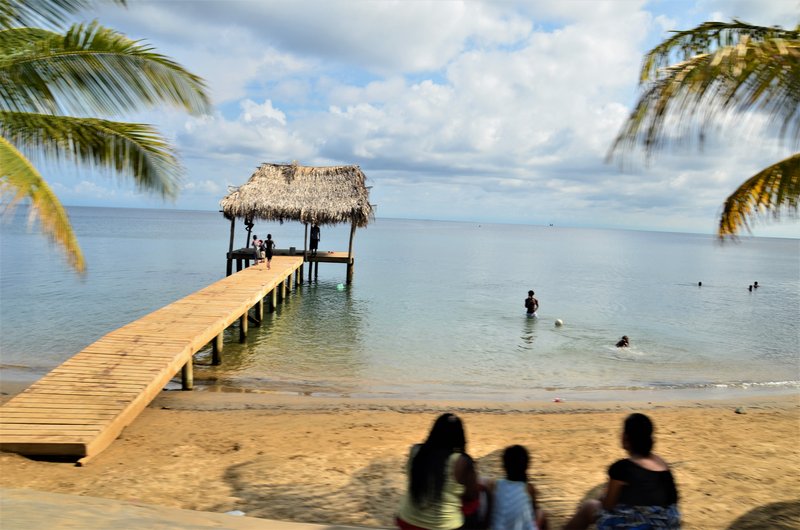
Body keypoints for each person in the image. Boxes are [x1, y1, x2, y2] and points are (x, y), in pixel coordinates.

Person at [563, 413, 680, 530]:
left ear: (626, 437)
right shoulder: (663, 465)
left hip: (640, 524)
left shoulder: (622, 468)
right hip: (667, 523)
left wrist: (604, 496)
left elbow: (608, 505)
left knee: (589, 507)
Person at [397, 413, 473, 530]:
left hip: (407, 520)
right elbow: (471, 496)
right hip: (443, 527)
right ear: (460, 436)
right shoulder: (461, 461)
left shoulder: (416, 451)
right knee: (478, 499)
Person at [488, 444, 548, 530]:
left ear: (504, 466)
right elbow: (533, 513)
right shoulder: (528, 488)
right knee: (541, 513)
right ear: (526, 466)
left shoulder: (496, 485)